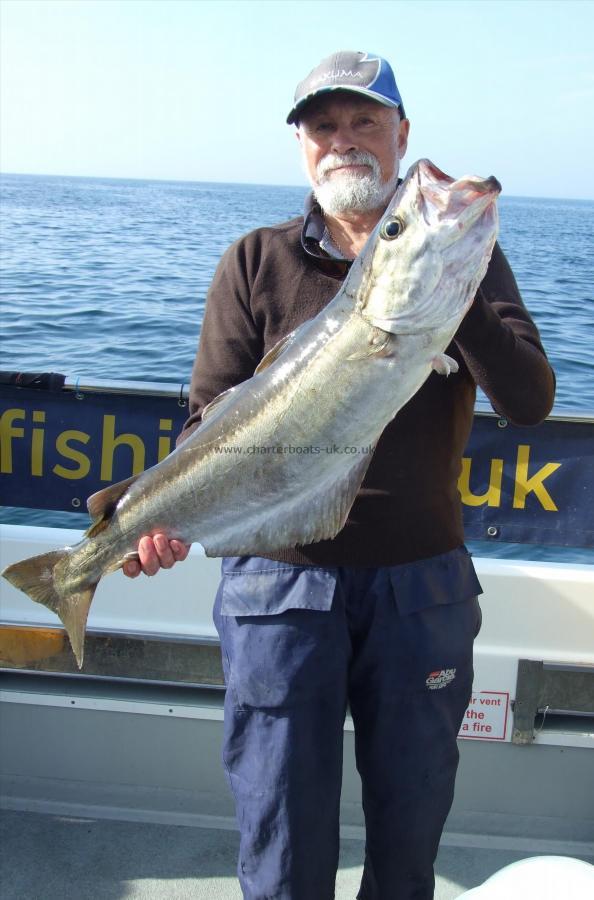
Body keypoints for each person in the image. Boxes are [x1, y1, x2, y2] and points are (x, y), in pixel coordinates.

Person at [124, 51, 555, 900]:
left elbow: (531, 399)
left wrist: (446, 285)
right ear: (301, 146)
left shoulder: (458, 251)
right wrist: (161, 521)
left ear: (402, 136)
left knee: (408, 834)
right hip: (278, 590)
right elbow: (209, 423)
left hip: (420, 588)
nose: (344, 142)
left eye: (364, 122)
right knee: (283, 838)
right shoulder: (255, 260)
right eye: (323, 126)